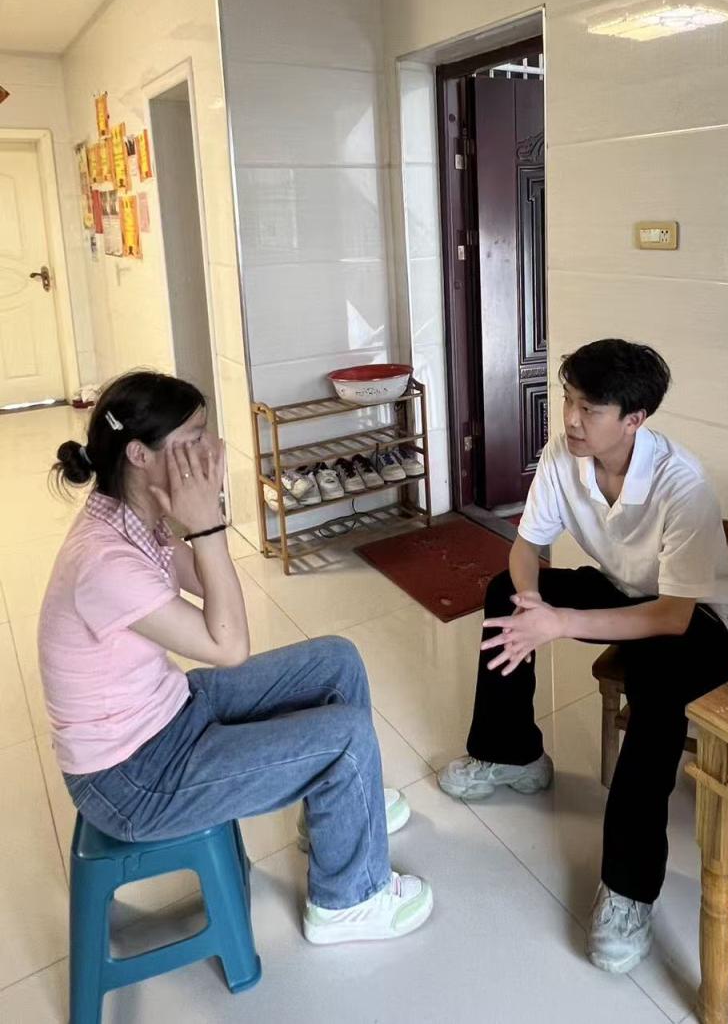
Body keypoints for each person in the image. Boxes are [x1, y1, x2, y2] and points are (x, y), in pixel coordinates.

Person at [39, 370, 433, 946]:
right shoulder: (104, 562)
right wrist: (206, 526)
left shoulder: (130, 516)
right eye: (192, 440)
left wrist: (200, 521)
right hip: (133, 777)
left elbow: (209, 585)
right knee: (347, 737)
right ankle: (347, 902)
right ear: (139, 455)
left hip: (164, 714)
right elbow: (229, 646)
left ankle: (338, 814)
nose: (208, 452)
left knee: (336, 659)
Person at [439, 339, 728, 974]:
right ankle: (512, 755)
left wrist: (561, 623)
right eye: (569, 401)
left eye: (590, 409)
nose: (572, 420)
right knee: (502, 594)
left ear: (635, 419)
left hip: (697, 619)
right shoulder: (565, 454)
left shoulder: (681, 484)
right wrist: (531, 606)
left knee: (657, 691)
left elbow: (672, 616)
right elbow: (525, 548)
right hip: (622, 588)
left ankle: (629, 890)